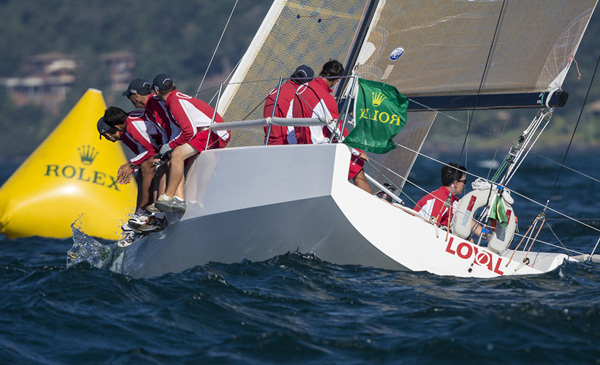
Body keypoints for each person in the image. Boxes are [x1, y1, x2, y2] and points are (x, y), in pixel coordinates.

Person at [151, 73, 230, 213]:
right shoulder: (175, 98)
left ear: (156, 92)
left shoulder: (174, 102)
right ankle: (193, 202)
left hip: (214, 132)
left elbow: (188, 131)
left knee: (177, 155)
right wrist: (166, 149)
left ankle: (169, 197)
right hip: (213, 131)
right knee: (185, 158)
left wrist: (170, 147)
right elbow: (179, 131)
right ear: (173, 85)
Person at [292, 59, 371, 193]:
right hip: (319, 148)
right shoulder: (326, 98)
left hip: (301, 144)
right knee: (357, 166)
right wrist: (358, 151)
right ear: (336, 82)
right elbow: (337, 127)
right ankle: (370, 207)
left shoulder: (301, 88)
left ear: (321, 71)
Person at [98, 108, 168, 232]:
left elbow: (149, 152)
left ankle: (141, 213)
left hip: (165, 150)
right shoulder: (129, 125)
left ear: (107, 134)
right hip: (163, 148)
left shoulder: (126, 135)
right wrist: (134, 166)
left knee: (145, 169)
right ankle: (139, 213)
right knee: (141, 172)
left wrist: (131, 165)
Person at [263, 65, 314, 145]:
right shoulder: (299, 95)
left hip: (268, 142)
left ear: (293, 74)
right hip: (285, 143)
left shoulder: (274, 90)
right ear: (307, 83)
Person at [413, 163, 466, 229]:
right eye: (464, 181)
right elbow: (429, 229)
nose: (464, 184)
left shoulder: (453, 200)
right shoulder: (438, 199)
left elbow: (465, 219)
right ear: (455, 183)